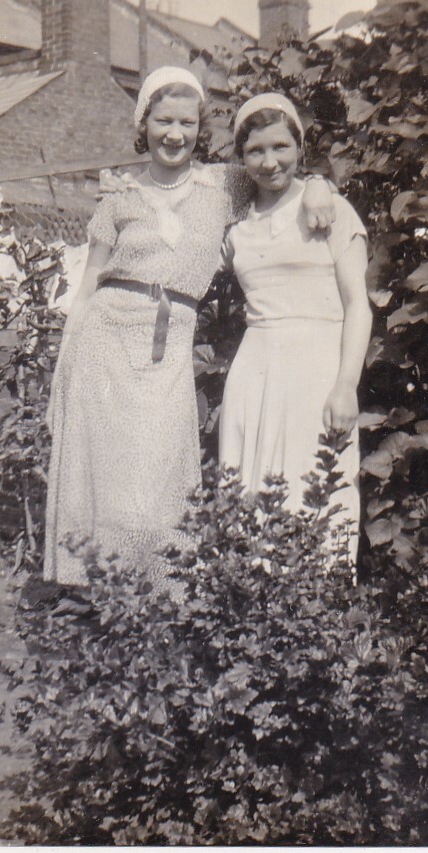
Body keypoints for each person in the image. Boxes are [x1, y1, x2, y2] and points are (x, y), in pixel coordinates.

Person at [44, 69, 337, 600]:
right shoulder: (119, 197)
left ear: (200, 129)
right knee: (105, 474)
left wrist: (320, 184)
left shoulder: (224, 185)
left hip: (170, 344)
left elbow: (281, 172)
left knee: (157, 476)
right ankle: (98, 597)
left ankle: (159, 597)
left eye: (186, 122)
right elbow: (88, 283)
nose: (174, 134)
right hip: (105, 340)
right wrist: (66, 361)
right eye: (163, 121)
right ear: (144, 125)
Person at [219, 93, 372, 570]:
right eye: (255, 151)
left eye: (280, 147)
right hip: (254, 373)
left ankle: (317, 608)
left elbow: (358, 305)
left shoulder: (331, 210)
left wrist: (346, 385)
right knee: (249, 492)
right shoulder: (236, 224)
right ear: (241, 158)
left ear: (300, 148)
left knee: (316, 487)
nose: (269, 162)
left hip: (317, 371)